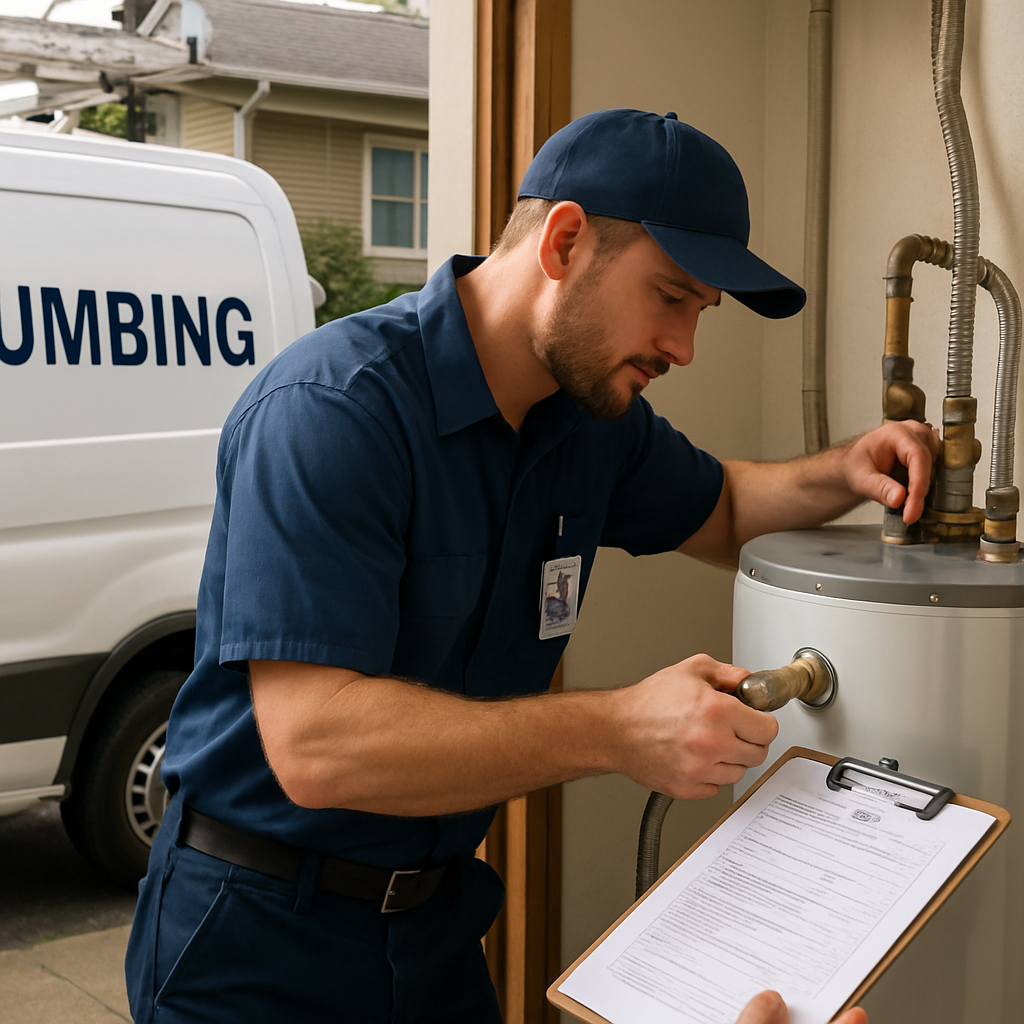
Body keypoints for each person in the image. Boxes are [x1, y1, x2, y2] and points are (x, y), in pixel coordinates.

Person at [125, 109, 935, 1024]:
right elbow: (317, 746)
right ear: (564, 240)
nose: (684, 347)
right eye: (670, 296)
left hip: (434, 936)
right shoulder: (334, 411)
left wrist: (850, 467)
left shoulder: (590, 423)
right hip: (255, 940)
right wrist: (621, 728)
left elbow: (727, 508)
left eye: (699, 311)